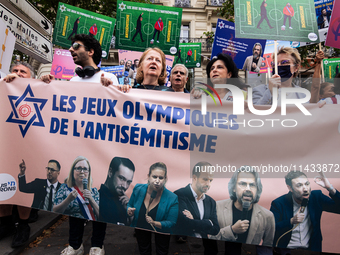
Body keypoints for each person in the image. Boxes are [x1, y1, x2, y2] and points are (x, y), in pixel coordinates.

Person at [41, 34, 119, 255]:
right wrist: (46, 86)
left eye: (76, 46)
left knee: (97, 198)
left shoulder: (108, 77)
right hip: (78, 152)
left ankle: (97, 243)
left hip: (101, 151)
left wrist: (113, 88)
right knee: (75, 197)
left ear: (91, 51)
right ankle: (75, 243)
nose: (71, 50)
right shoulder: (72, 82)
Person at [1, 61, 35, 248]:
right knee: (3, 182)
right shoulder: (2, 87)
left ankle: (23, 225)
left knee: (22, 187)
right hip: (4, 145)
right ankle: (5, 223)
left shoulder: (39, 91)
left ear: (31, 77)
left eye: (24, 71)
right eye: (15, 70)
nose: (19, 73)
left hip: (27, 147)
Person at [210, 166, 275, 254]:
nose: (248, 189)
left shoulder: (267, 216)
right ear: (234, 188)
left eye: (252, 185)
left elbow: (267, 246)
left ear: (257, 189)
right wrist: (232, 230)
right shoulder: (216, 207)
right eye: (243, 184)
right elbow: (210, 238)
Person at [270, 171, 340, 252]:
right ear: (290, 188)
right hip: (286, 251)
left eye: (307, 184)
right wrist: (291, 221)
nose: (305, 189)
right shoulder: (279, 203)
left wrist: (330, 188)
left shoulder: (316, 197)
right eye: (299, 185)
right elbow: (271, 228)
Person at [127, 162, 178, 255]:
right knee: (143, 251)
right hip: (141, 227)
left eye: (161, 178)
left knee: (162, 252)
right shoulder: (138, 188)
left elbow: (172, 222)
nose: (157, 181)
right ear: (149, 176)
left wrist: (154, 223)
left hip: (162, 231)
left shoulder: (172, 198)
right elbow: (130, 204)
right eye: (154, 177)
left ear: (165, 179)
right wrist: (129, 210)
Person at [54, 156, 101, 255]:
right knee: (75, 213)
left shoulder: (94, 190)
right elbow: (54, 209)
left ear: (89, 172)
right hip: (75, 225)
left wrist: (91, 200)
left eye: (85, 169)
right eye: (78, 168)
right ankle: (75, 247)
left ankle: (97, 246)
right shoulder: (64, 188)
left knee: (98, 214)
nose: (82, 172)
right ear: (73, 170)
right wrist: (68, 200)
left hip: (96, 222)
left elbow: (102, 215)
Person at [174, 162, 220, 255]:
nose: (208, 184)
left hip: (208, 250)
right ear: (194, 177)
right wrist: (207, 223)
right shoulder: (179, 195)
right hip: (186, 249)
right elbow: (183, 223)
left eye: (211, 180)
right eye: (205, 179)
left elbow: (216, 229)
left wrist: (193, 221)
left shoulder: (211, 202)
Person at [99, 157, 135, 225]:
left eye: (128, 182)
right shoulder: (97, 197)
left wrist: (130, 214)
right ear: (110, 172)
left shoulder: (124, 202)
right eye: (121, 178)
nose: (125, 186)